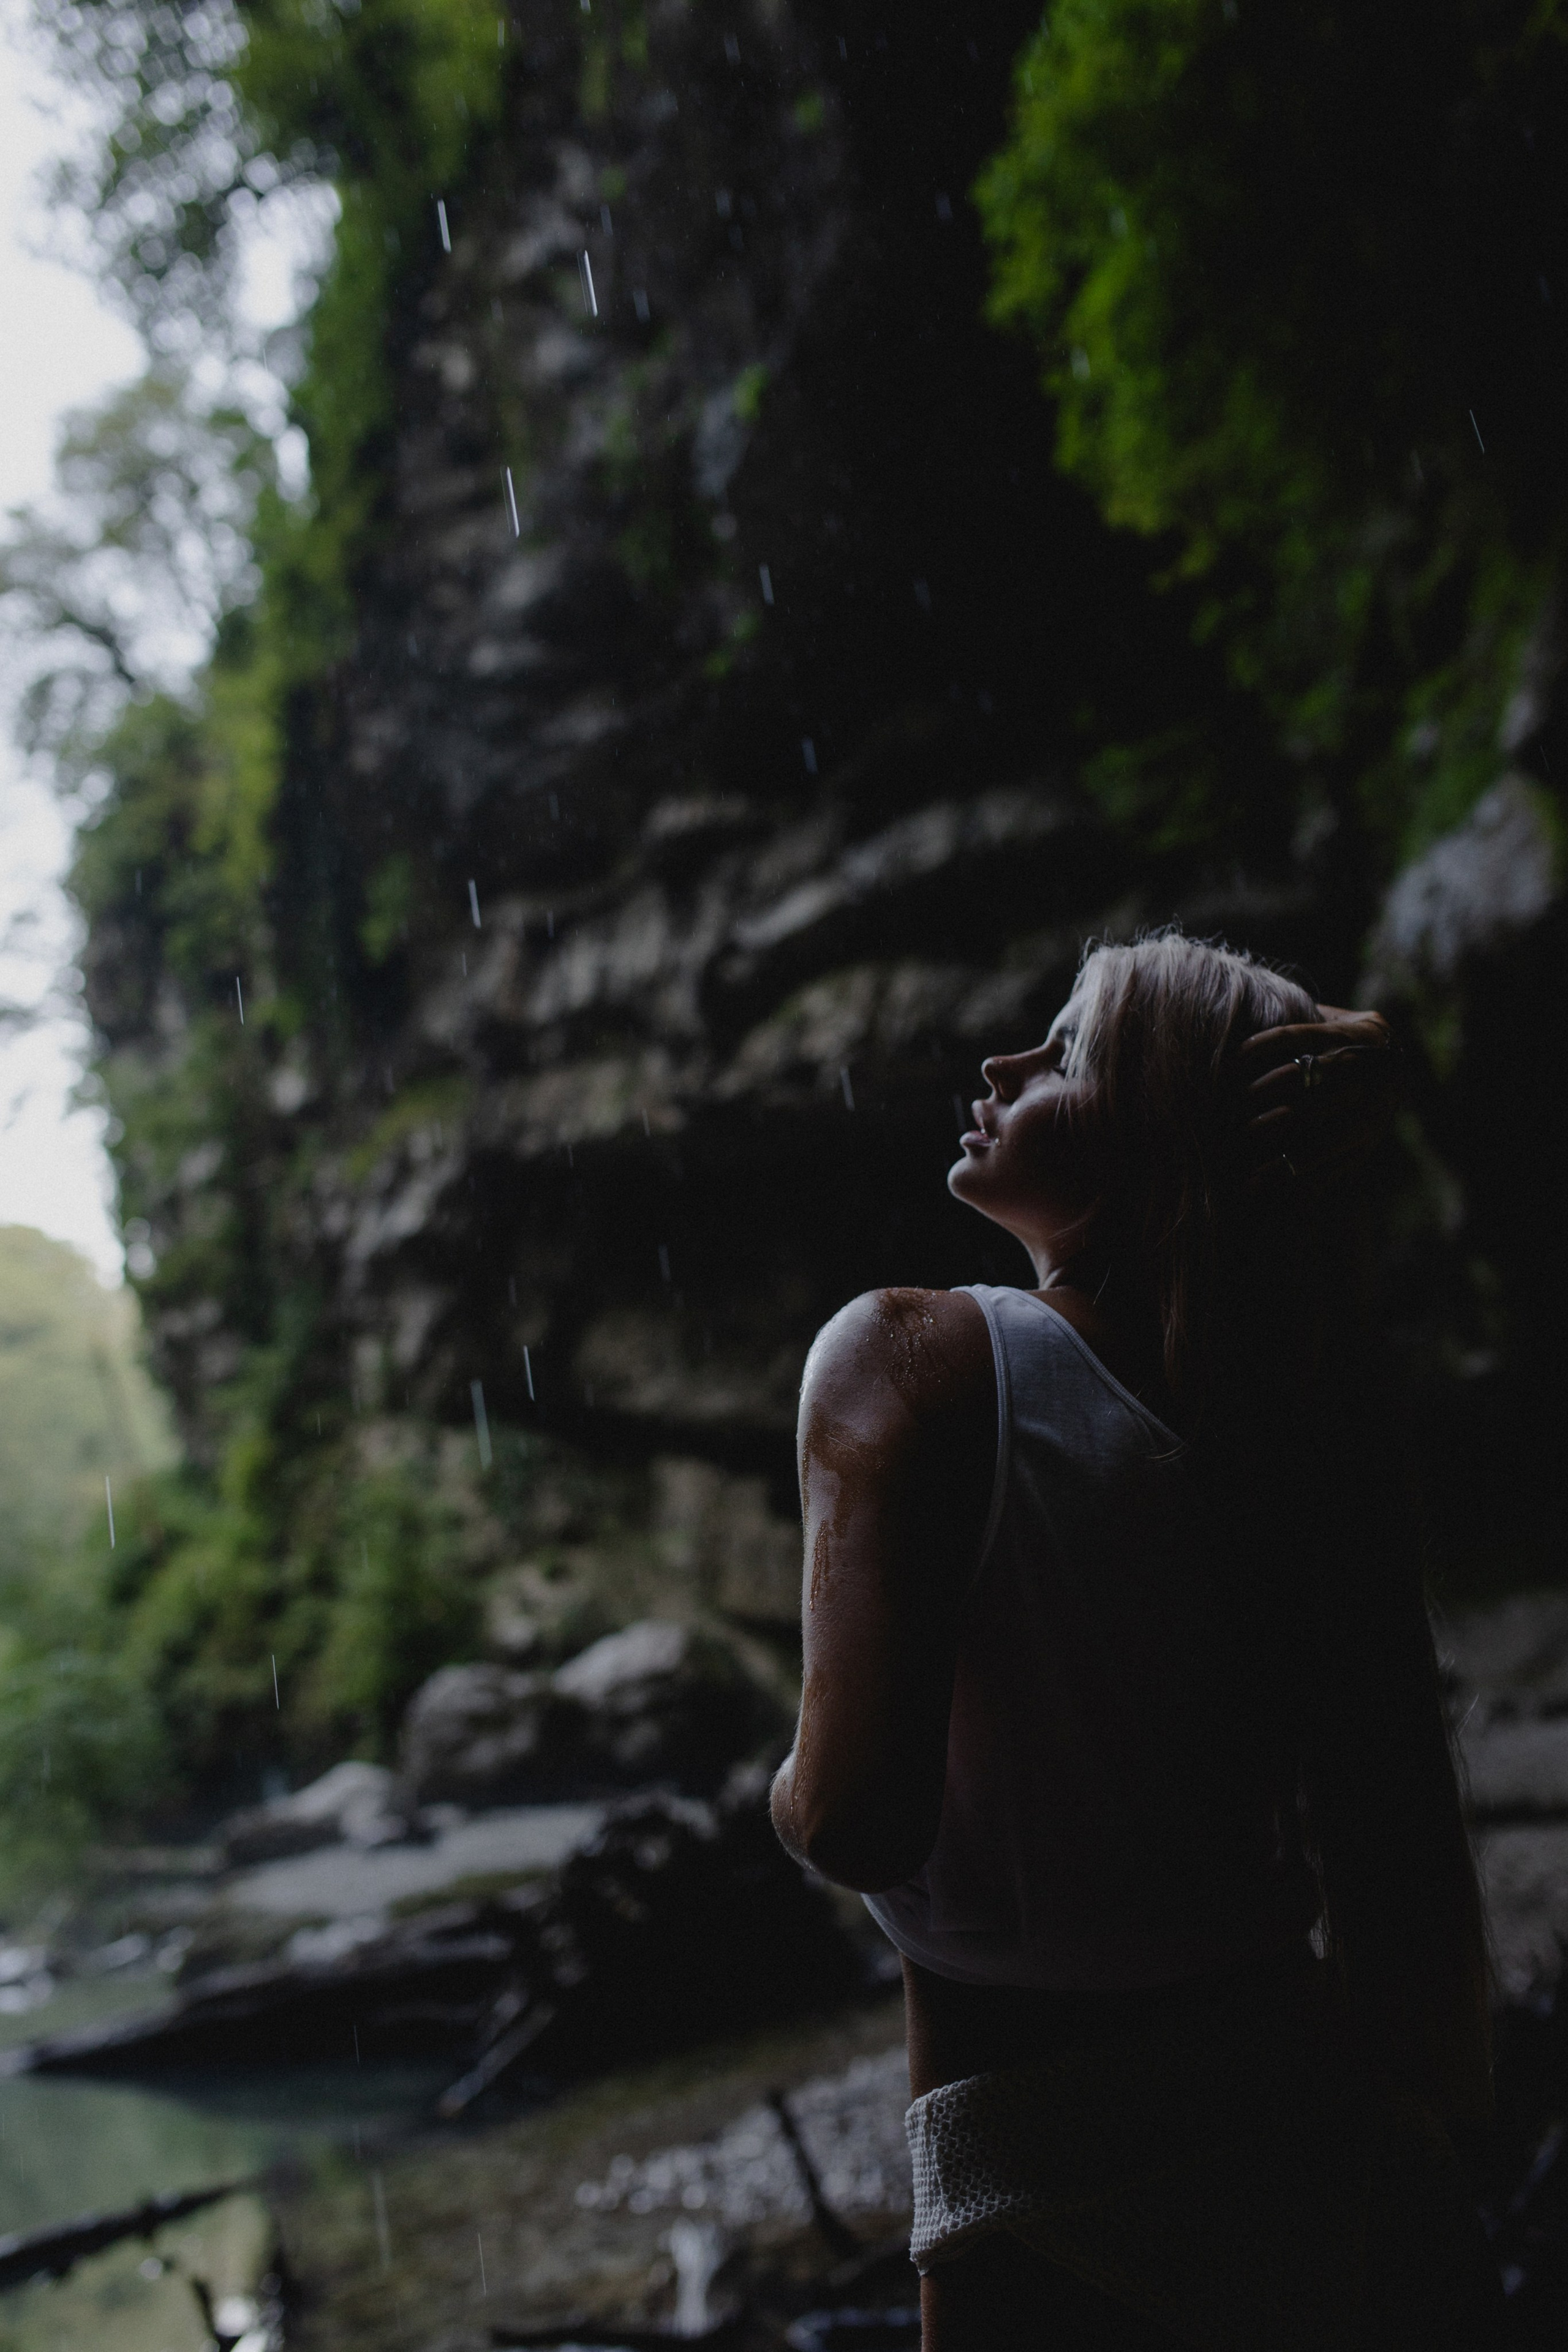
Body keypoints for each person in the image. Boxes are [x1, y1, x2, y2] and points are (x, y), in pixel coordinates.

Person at [771, 932, 1498, 2350]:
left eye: (1068, 1050)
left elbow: (853, 1819)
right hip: (1319, 2164)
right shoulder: (1295, 1436)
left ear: (1156, 1135)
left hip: (1044, 2212)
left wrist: (782, 1783)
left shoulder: (906, 1359)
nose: (1001, 1064)